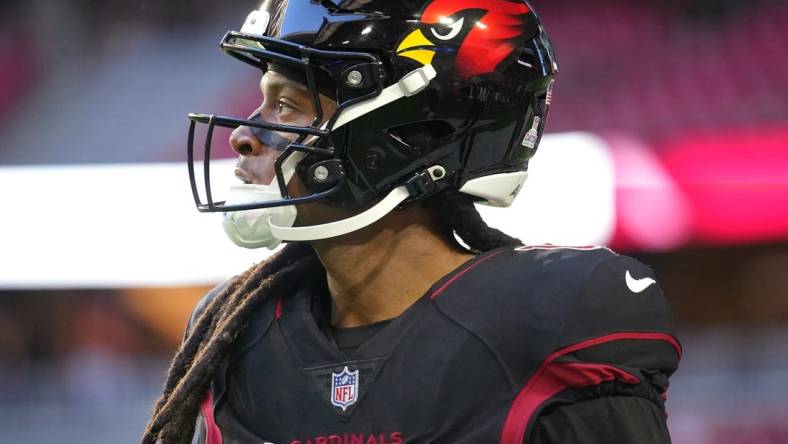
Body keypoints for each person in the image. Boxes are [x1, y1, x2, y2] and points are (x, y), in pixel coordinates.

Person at [142, 1, 681, 443]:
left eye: (286, 105)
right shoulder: (239, 329)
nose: (245, 135)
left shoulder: (550, 315)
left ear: (411, 131)